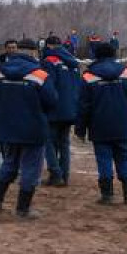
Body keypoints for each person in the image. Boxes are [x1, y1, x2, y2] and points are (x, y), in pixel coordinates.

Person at [0, 38, 57, 219]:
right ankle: (22, 209)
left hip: (7, 127)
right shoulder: (40, 74)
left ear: (17, 50)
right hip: (33, 129)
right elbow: (51, 101)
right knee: (31, 168)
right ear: (34, 52)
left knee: (9, 162)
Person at [78, 40, 127, 204]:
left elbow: (83, 106)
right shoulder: (126, 73)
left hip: (99, 126)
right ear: (113, 55)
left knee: (104, 159)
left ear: (96, 56)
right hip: (123, 125)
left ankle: (107, 195)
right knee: (124, 158)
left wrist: (80, 129)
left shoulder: (88, 76)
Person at [39, 36, 83, 187]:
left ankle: (55, 173)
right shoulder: (74, 63)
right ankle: (64, 175)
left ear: (49, 45)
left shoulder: (49, 61)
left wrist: (45, 106)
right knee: (64, 142)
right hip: (71, 108)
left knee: (48, 141)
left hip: (55, 108)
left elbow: (48, 87)